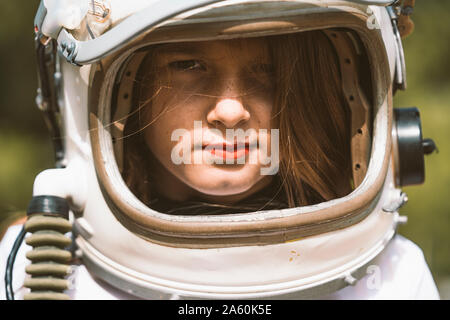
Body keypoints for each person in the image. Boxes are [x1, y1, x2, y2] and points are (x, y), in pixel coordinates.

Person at [1, 0, 440, 300]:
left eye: (267, 68)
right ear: (125, 95)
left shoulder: (392, 279)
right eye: (188, 64)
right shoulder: (38, 270)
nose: (230, 111)